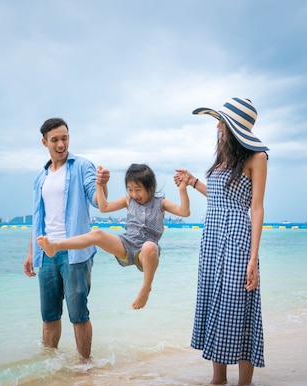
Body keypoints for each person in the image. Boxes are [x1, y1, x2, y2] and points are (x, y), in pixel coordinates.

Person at [175, 97, 268, 386]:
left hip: (238, 238)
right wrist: (192, 181)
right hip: (213, 238)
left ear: (234, 126)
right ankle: (217, 384)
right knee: (215, 303)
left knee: (238, 306)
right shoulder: (223, 158)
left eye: (222, 121)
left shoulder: (257, 158)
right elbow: (219, 198)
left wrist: (253, 259)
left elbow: (256, 207)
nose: (217, 125)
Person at [38, 163, 191, 310]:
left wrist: (182, 189)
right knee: (97, 234)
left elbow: (184, 212)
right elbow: (104, 208)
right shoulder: (128, 201)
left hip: (145, 254)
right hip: (126, 244)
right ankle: (55, 246)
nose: (134, 194)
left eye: (138, 190)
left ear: (150, 188)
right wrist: (99, 184)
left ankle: (145, 289)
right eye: (130, 189)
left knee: (149, 246)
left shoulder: (161, 203)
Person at [23, 117, 109, 359]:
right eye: (55, 140)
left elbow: (97, 200)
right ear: (44, 142)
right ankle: (50, 369)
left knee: (78, 314)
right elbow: (38, 219)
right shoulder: (40, 177)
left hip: (76, 252)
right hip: (47, 252)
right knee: (49, 316)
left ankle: (85, 366)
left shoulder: (82, 166)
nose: (61, 144)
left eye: (65, 138)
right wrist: (32, 253)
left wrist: (102, 185)